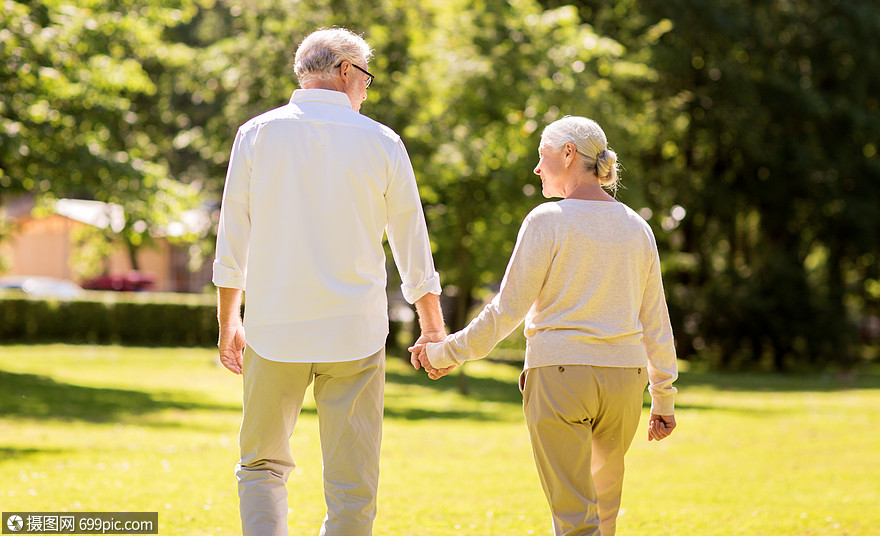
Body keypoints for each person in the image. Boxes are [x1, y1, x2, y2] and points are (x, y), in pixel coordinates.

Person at [214, 27, 448, 536]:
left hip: (275, 330)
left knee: (260, 466)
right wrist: (433, 330)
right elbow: (413, 244)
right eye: (366, 78)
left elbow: (233, 236)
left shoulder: (256, 134)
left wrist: (228, 320)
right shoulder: (383, 141)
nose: (366, 89)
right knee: (353, 484)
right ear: (345, 71)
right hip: (354, 334)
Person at [410, 116, 678, 536]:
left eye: (542, 156)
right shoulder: (637, 227)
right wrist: (664, 397)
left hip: (560, 378)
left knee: (575, 518)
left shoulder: (546, 220)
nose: (537, 168)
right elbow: (656, 322)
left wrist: (444, 352)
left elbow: (506, 311)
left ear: (568, 153)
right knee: (603, 518)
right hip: (626, 381)